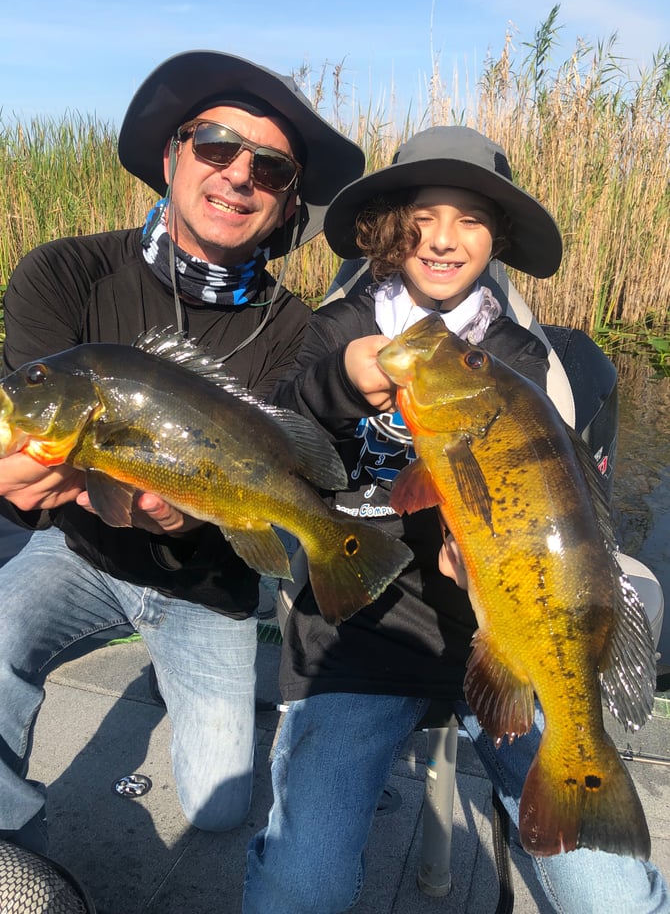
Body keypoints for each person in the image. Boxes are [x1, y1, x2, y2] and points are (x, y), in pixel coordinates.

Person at [0, 50, 365, 854]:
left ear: (287, 201)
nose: (239, 175)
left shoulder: (299, 330)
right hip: (79, 556)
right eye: (216, 146)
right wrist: (11, 480)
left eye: (269, 167)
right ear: (171, 155)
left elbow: (261, 478)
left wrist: (172, 514)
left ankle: (185, 676)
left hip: (211, 581)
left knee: (219, 806)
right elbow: (26, 459)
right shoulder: (63, 272)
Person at [242, 126, 669, 913]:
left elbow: (562, 506)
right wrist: (336, 384)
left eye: (470, 219)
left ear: (496, 237)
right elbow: (266, 447)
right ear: (386, 225)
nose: (443, 239)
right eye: (422, 215)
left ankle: (583, 768)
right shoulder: (331, 328)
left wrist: (475, 554)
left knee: (614, 901)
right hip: (357, 640)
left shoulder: (518, 357)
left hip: (512, 643)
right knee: (299, 889)